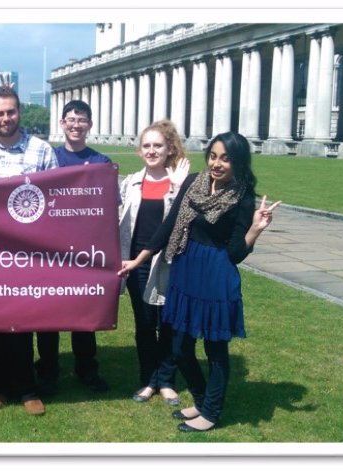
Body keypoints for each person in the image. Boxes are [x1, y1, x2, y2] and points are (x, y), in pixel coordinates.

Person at [117, 132, 281, 432]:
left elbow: (234, 253)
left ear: (239, 162)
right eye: (214, 156)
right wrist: (140, 259)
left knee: (215, 351)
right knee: (180, 348)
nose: (217, 163)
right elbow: (169, 225)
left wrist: (256, 229)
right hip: (185, 270)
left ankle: (212, 412)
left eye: (226, 158)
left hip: (215, 276)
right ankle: (203, 400)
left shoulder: (242, 196)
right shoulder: (195, 181)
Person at [0, 84, 58, 416]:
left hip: (28, 251)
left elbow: (58, 198)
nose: (6, 118)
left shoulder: (42, 150)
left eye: (11, 111)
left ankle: (27, 387)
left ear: (20, 112)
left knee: (24, 319)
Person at [32, 99, 111, 396]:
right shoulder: (49, 160)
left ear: (89, 125)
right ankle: (48, 370)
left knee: (84, 317)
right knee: (48, 317)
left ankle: (86, 369)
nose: (76, 124)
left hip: (85, 252)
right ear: (62, 124)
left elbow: (106, 209)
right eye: (71, 119)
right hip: (50, 251)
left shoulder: (101, 163)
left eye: (82, 120)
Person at [118, 120, 190, 406]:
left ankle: (167, 381)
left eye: (157, 145)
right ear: (139, 151)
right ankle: (148, 380)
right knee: (145, 324)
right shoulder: (131, 182)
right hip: (136, 262)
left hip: (170, 261)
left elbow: (182, 223)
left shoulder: (180, 182)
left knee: (170, 324)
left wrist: (177, 189)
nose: (151, 151)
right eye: (146, 146)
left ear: (169, 148)